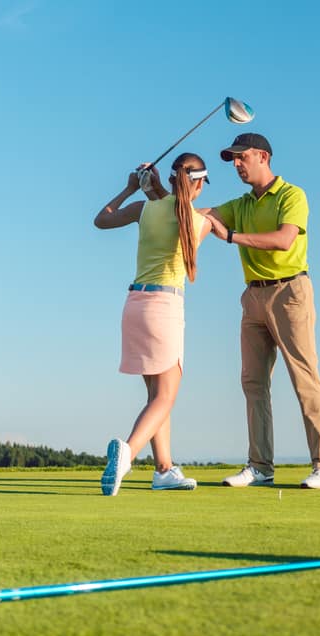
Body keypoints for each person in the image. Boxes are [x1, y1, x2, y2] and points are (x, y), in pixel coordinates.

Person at [203, 133, 320, 489]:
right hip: (253, 298)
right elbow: (199, 215)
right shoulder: (241, 204)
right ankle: (260, 466)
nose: (236, 165)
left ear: (263, 156)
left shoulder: (293, 195)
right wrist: (158, 189)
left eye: (241, 157)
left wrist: (231, 237)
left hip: (290, 292)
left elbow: (284, 240)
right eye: (232, 159)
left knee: (304, 378)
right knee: (253, 383)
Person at [93, 153, 212, 495]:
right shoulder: (198, 221)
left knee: (155, 395)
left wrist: (132, 188)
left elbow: (102, 220)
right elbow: (177, 209)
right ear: (199, 183)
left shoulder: (145, 209)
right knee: (166, 397)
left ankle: (163, 469)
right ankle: (128, 454)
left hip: (134, 306)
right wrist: (155, 188)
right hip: (165, 308)